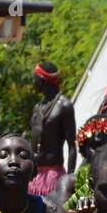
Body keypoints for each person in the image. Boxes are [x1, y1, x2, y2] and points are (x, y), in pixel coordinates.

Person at [29, 61, 76, 196]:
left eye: (35, 79)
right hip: (34, 176)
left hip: (54, 177)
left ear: (42, 80)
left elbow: (72, 145)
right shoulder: (37, 107)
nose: (33, 82)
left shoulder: (64, 106)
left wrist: (70, 179)